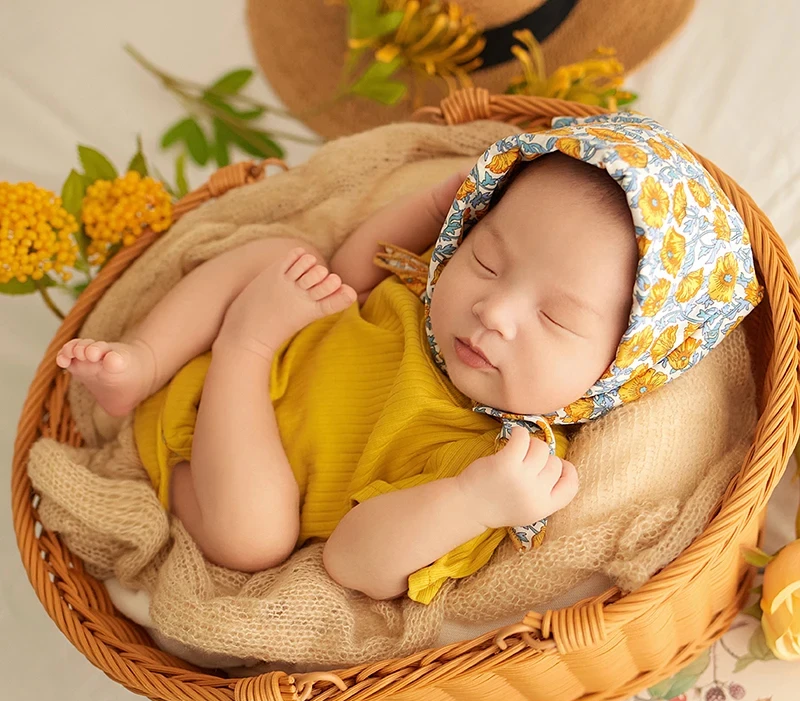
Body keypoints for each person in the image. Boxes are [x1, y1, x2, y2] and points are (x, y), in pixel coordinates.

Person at [55, 111, 761, 604]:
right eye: (486, 260)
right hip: (210, 360)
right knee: (285, 258)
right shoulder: (429, 288)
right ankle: (142, 364)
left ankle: (239, 347)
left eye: (553, 317)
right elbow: (348, 263)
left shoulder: (492, 460)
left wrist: (471, 502)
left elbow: (354, 561)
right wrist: (433, 201)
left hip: (219, 473)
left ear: (617, 372)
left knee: (256, 539)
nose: (495, 310)